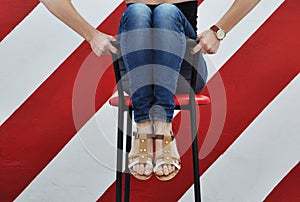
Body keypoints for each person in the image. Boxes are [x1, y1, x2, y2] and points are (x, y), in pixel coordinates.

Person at [40, 0, 261, 181]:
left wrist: (219, 31)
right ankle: (147, 126)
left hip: (183, 73)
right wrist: (90, 34)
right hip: (136, 73)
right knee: (137, 10)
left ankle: (157, 126)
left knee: (167, 11)